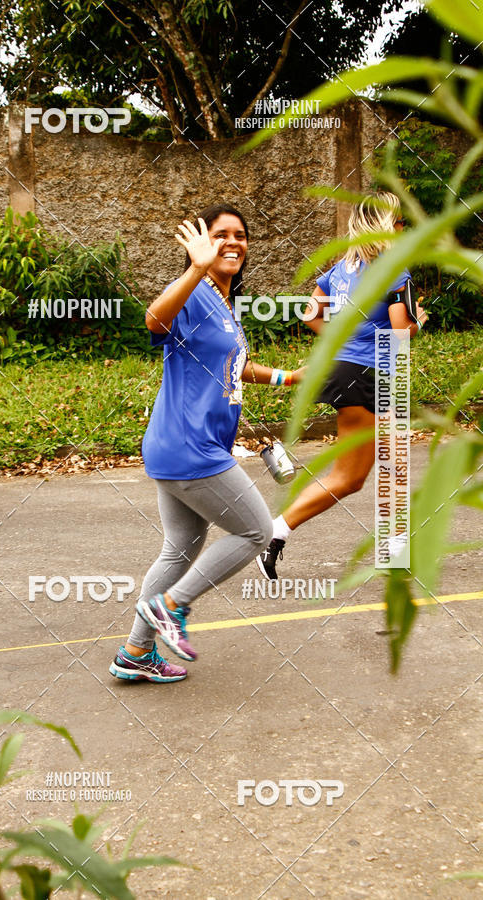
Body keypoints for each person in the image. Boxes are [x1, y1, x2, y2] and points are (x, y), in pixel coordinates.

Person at [110, 203, 303, 683]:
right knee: (257, 532)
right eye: (222, 235)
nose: (233, 242)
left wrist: (285, 377)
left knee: (179, 549)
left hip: (177, 445)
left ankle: (135, 653)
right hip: (191, 447)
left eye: (241, 234)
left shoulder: (223, 304)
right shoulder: (195, 292)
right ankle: (170, 606)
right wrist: (195, 268)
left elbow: (229, 367)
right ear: (204, 244)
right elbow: (154, 320)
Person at [257, 191, 428, 580]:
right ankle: (393, 552)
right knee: (388, 466)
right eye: (401, 222)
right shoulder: (396, 272)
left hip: (345, 370)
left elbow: (310, 314)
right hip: (375, 373)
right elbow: (401, 334)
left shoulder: (343, 267)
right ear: (389, 226)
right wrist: (419, 320)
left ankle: (277, 532)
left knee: (355, 475)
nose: (404, 229)